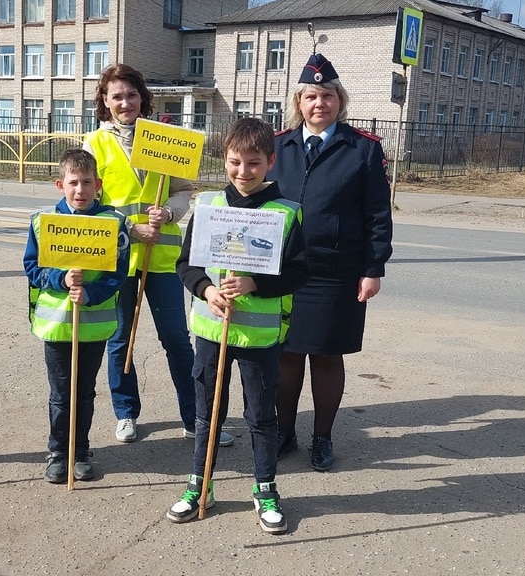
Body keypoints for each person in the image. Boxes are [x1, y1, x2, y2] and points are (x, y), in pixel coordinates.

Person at [166, 117, 309, 534]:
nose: (243, 172)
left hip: (261, 337)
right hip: (212, 332)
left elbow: (299, 273)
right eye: (234, 162)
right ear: (223, 160)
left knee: (262, 416)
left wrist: (255, 283)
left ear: (270, 162)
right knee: (208, 412)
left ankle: (265, 488)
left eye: (253, 163)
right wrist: (207, 290)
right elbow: (186, 265)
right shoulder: (210, 206)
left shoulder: (286, 213)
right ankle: (200, 483)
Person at [83, 63, 233, 448]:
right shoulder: (94, 144)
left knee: (177, 340)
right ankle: (126, 413)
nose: (125, 102)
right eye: (116, 96)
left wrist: (168, 212)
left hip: (163, 259)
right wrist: (129, 228)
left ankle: (193, 416)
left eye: (131, 95)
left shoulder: (165, 139)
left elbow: (185, 190)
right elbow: (89, 204)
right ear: (104, 100)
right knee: (120, 340)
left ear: (142, 98)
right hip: (117, 258)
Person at [266, 53, 394, 472]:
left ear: (340, 100)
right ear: (298, 102)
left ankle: (322, 438)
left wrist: (373, 268)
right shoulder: (277, 147)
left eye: (327, 95)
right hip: (282, 269)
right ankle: (285, 434)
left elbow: (378, 215)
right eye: (311, 96)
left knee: (325, 357)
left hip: (334, 272)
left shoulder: (362, 149)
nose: (319, 103)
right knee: (284, 355)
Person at [24, 149, 131, 484]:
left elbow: (118, 274)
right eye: (73, 183)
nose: (80, 190)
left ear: (98, 184)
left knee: (84, 392)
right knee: (60, 394)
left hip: (93, 326)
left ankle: (80, 451)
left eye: (87, 182)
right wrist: (60, 279)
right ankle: (58, 453)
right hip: (56, 326)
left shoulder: (112, 223)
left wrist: (90, 294)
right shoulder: (43, 223)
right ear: (60, 185)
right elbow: (31, 267)